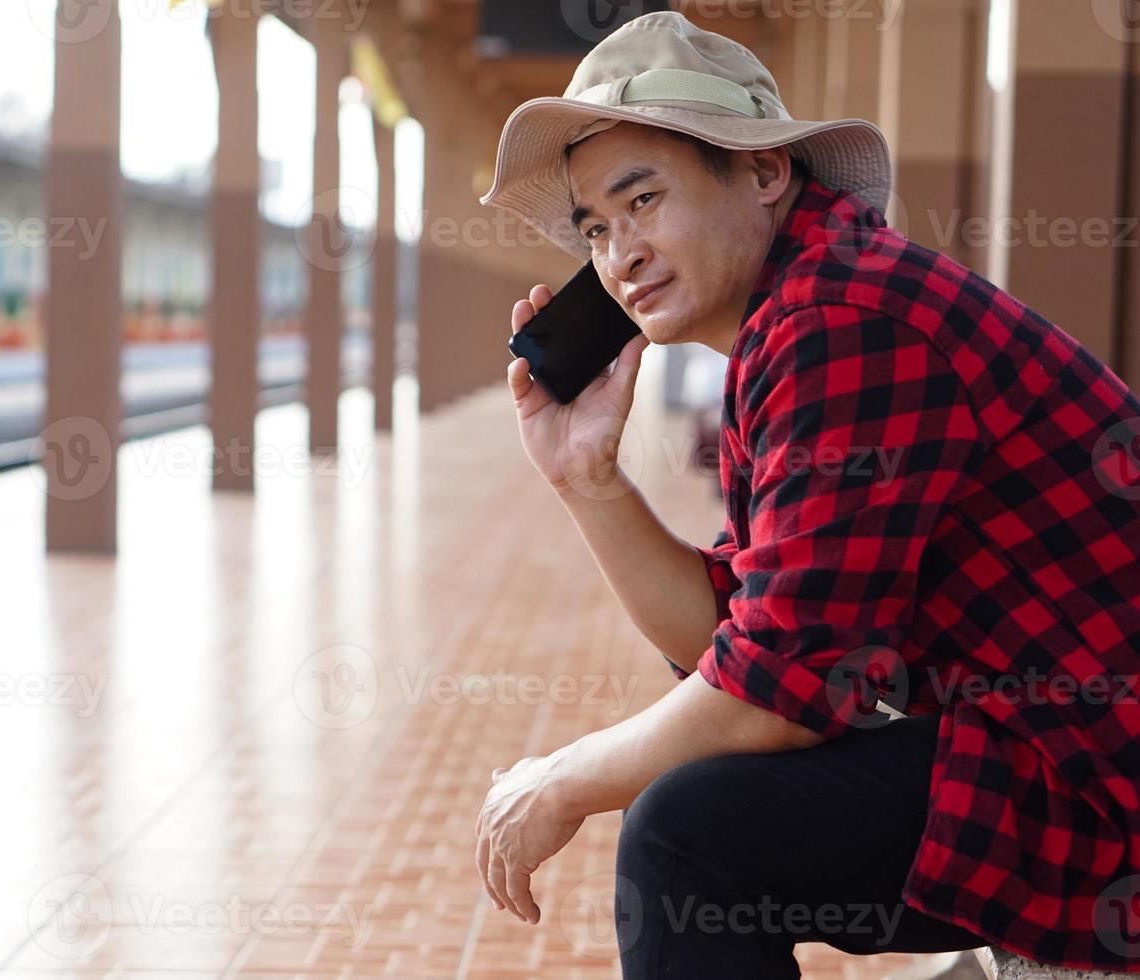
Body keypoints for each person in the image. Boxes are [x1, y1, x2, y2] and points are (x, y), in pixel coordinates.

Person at [471, 10, 1140, 978]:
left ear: (764, 172)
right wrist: (589, 479)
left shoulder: (842, 318)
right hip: (1051, 748)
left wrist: (561, 781)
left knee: (686, 838)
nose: (619, 254)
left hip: (1097, 778)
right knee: (696, 807)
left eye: (645, 198)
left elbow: (775, 694)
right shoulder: (803, 313)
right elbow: (748, 639)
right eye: (596, 228)